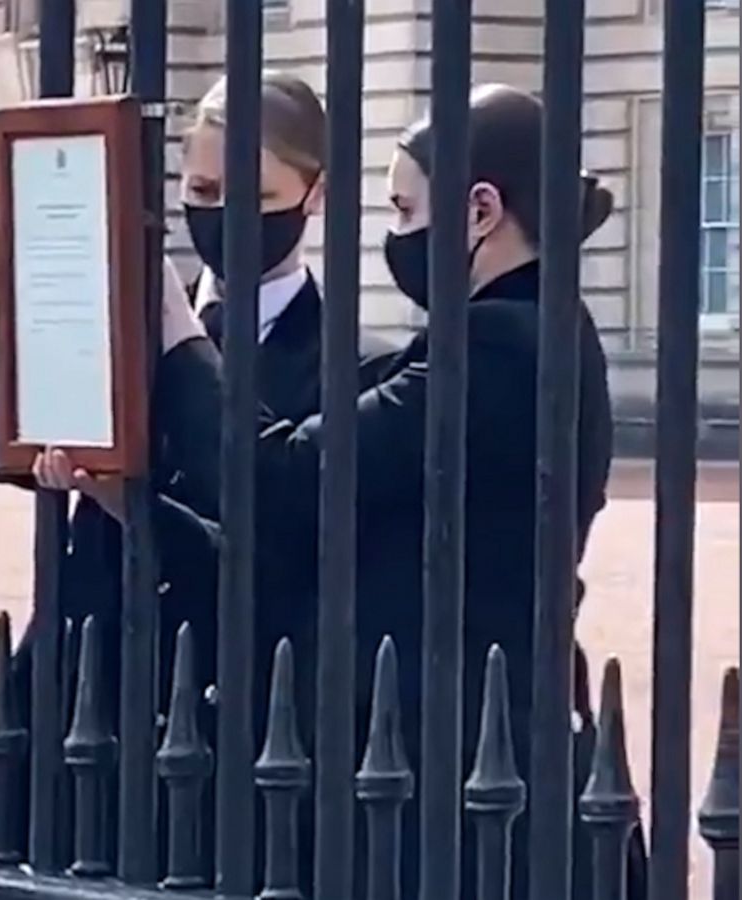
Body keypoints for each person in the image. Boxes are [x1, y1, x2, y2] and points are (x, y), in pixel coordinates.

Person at [63, 84, 644, 897]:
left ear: (480, 210)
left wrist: (176, 336)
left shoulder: (505, 346)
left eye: (405, 210)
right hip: (419, 755)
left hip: (458, 765)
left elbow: (289, 479)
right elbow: (311, 552)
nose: (395, 235)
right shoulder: (501, 333)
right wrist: (136, 509)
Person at [0, 71, 395, 864]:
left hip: (224, 717)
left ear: (318, 194)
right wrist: (12, 282)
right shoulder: (111, 310)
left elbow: (287, 545)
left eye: (255, 194)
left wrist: (135, 506)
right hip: (80, 686)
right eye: (202, 187)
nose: (223, 212)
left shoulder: (361, 368)